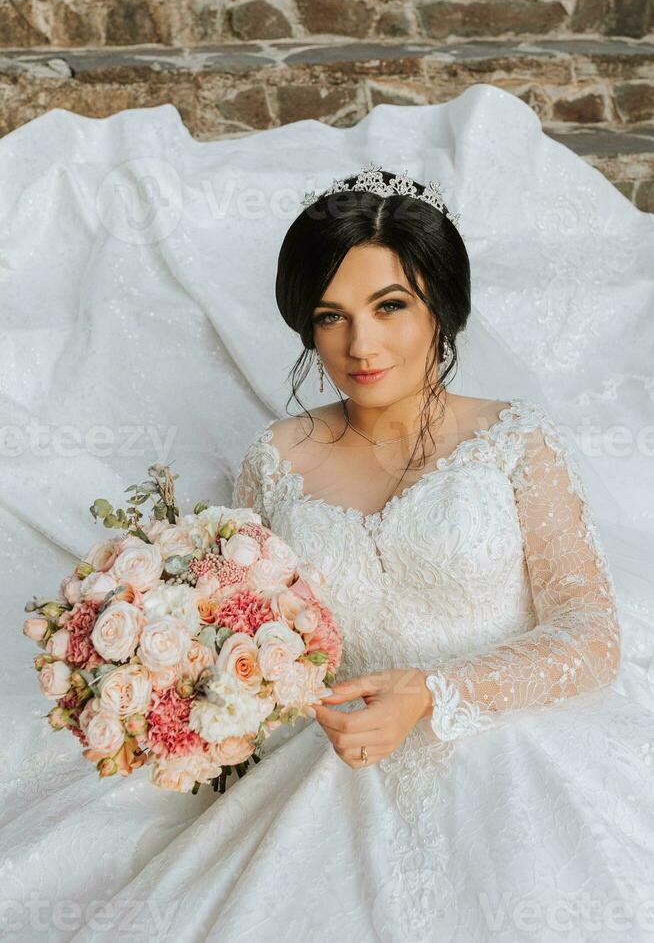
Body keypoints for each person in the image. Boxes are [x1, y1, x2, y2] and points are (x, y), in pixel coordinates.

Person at [3, 157, 654, 943]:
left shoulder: (514, 439)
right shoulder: (275, 458)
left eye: (390, 306)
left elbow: (591, 633)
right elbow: (246, 626)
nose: (361, 343)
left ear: (440, 310)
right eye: (330, 315)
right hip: (335, 763)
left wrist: (431, 693)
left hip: (510, 751)